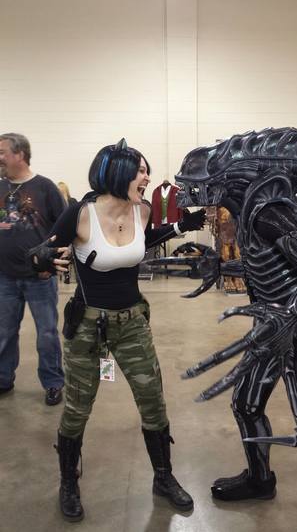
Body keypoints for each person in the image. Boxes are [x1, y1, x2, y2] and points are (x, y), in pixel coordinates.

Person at [29, 139, 205, 522]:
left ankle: (163, 476)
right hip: (88, 329)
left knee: (153, 402)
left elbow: (143, 242)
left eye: (147, 170)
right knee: (77, 408)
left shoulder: (142, 210)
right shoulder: (81, 214)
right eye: (140, 170)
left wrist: (179, 226)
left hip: (133, 324)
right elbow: (42, 252)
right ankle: (68, 481)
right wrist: (41, 259)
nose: (147, 177)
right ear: (117, 172)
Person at [0, 133, 65, 405]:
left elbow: (64, 227)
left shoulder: (45, 187)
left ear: (20, 154)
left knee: (47, 334)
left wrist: (52, 261)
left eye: (2, 152)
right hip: (4, 276)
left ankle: (53, 383)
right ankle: (3, 379)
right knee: (4, 332)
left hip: (40, 278)